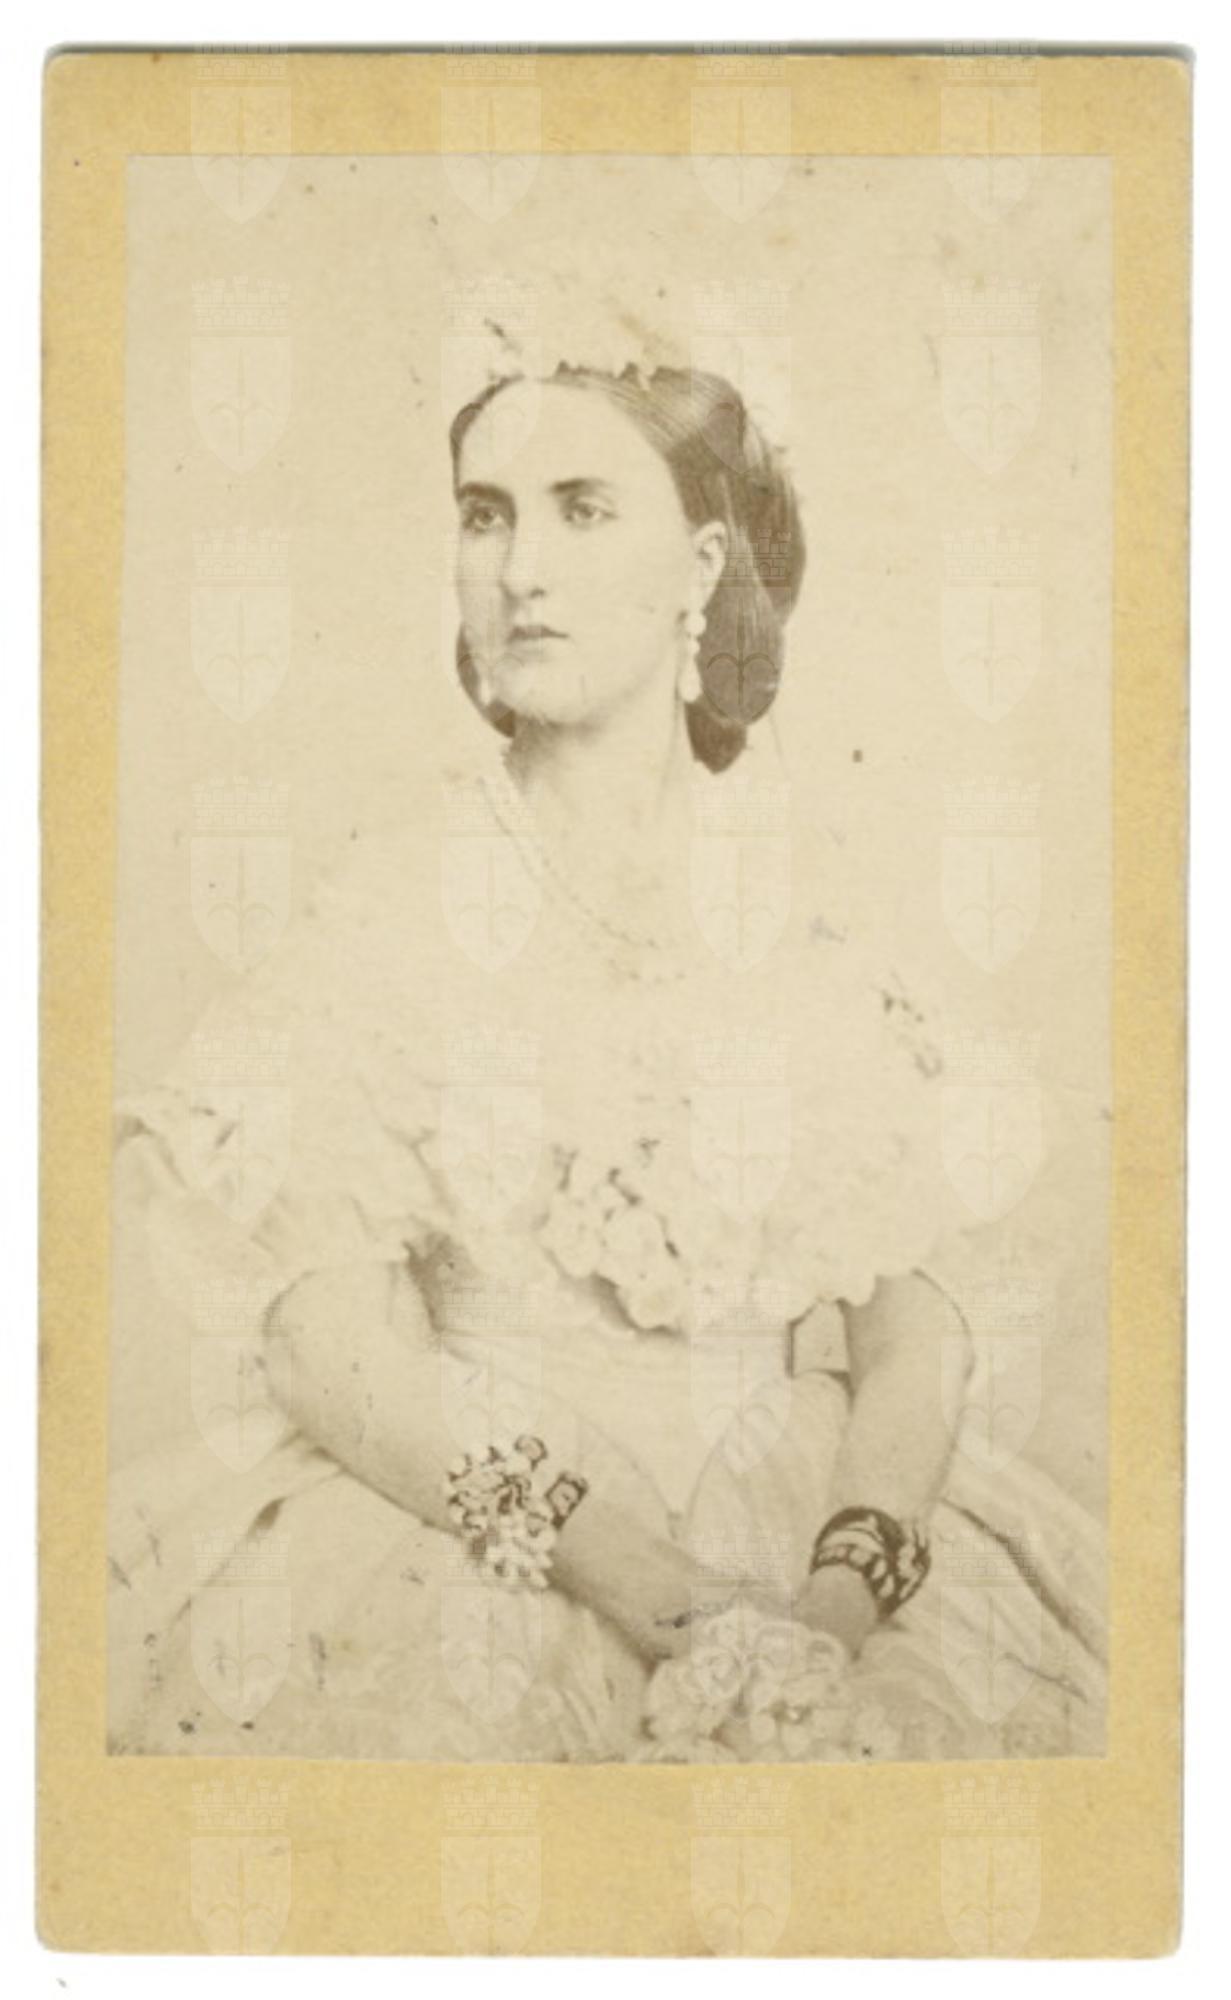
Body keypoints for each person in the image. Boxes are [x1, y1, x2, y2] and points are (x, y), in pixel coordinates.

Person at [107, 362, 1107, 1762]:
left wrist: (833, 1605)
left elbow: (917, 1325)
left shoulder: (819, 909)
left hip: (813, 1535)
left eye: (582, 509)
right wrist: (660, 1595)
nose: (520, 569)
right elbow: (334, 1352)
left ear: (701, 566)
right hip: (479, 1536)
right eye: (485, 514)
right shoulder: (386, 912)